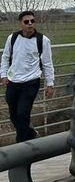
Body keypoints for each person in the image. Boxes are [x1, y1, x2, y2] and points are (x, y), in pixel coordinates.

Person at [1, 11, 55, 143]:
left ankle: (21, 147)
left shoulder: (43, 40)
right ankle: (31, 133)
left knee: (22, 114)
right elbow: (6, 57)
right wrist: (3, 75)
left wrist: (50, 83)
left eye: (32, 21)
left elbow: (47, 63)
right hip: (13, 81)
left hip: (31, 82)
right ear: (21, 24)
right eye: (26, 22)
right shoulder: (12, 38)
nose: (30, 24)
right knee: (14, 116)